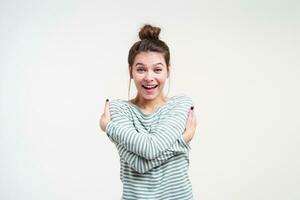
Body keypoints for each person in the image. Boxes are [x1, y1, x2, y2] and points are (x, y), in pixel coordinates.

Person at [99, 24, 197, 200]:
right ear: (131, 71)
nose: (149, 77)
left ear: (168, 71)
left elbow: (149, 150)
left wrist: (109, 128)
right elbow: (140, 163)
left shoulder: (180, 104)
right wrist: (182, 141)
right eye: (141, 69)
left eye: (157, 69)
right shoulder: (119, 109)